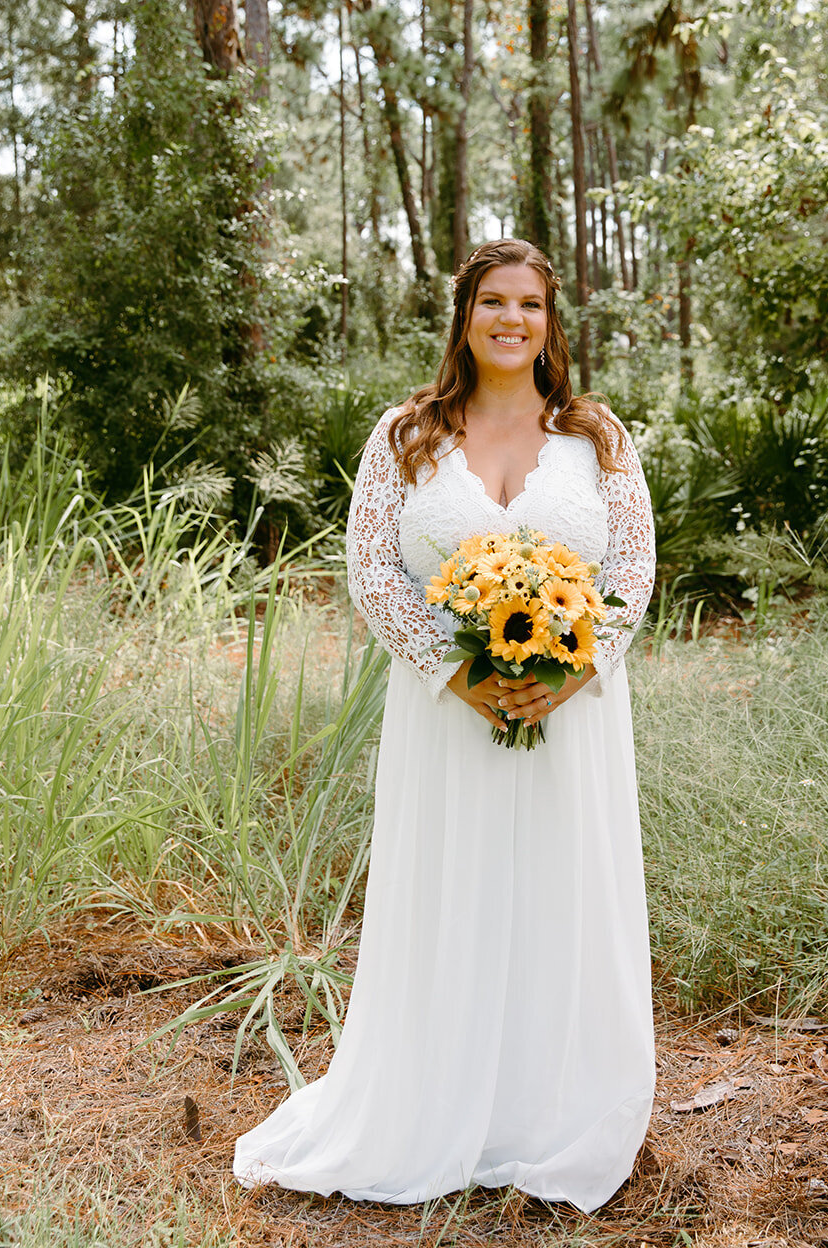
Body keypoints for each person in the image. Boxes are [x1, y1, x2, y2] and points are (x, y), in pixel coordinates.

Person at [233, 238, 656, 1213]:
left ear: (550, 324)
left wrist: (570, 669)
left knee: (557, 892)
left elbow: (630, 569)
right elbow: (373, 570)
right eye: (493, 302)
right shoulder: (405, 435)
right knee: (452, 892)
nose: (512, 320)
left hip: (570, 717)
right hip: (447, 716)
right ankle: (435, 1100)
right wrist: (456, 670)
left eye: (531, 305)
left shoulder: (596, 437)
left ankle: (553, 1111)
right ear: (463, 315)